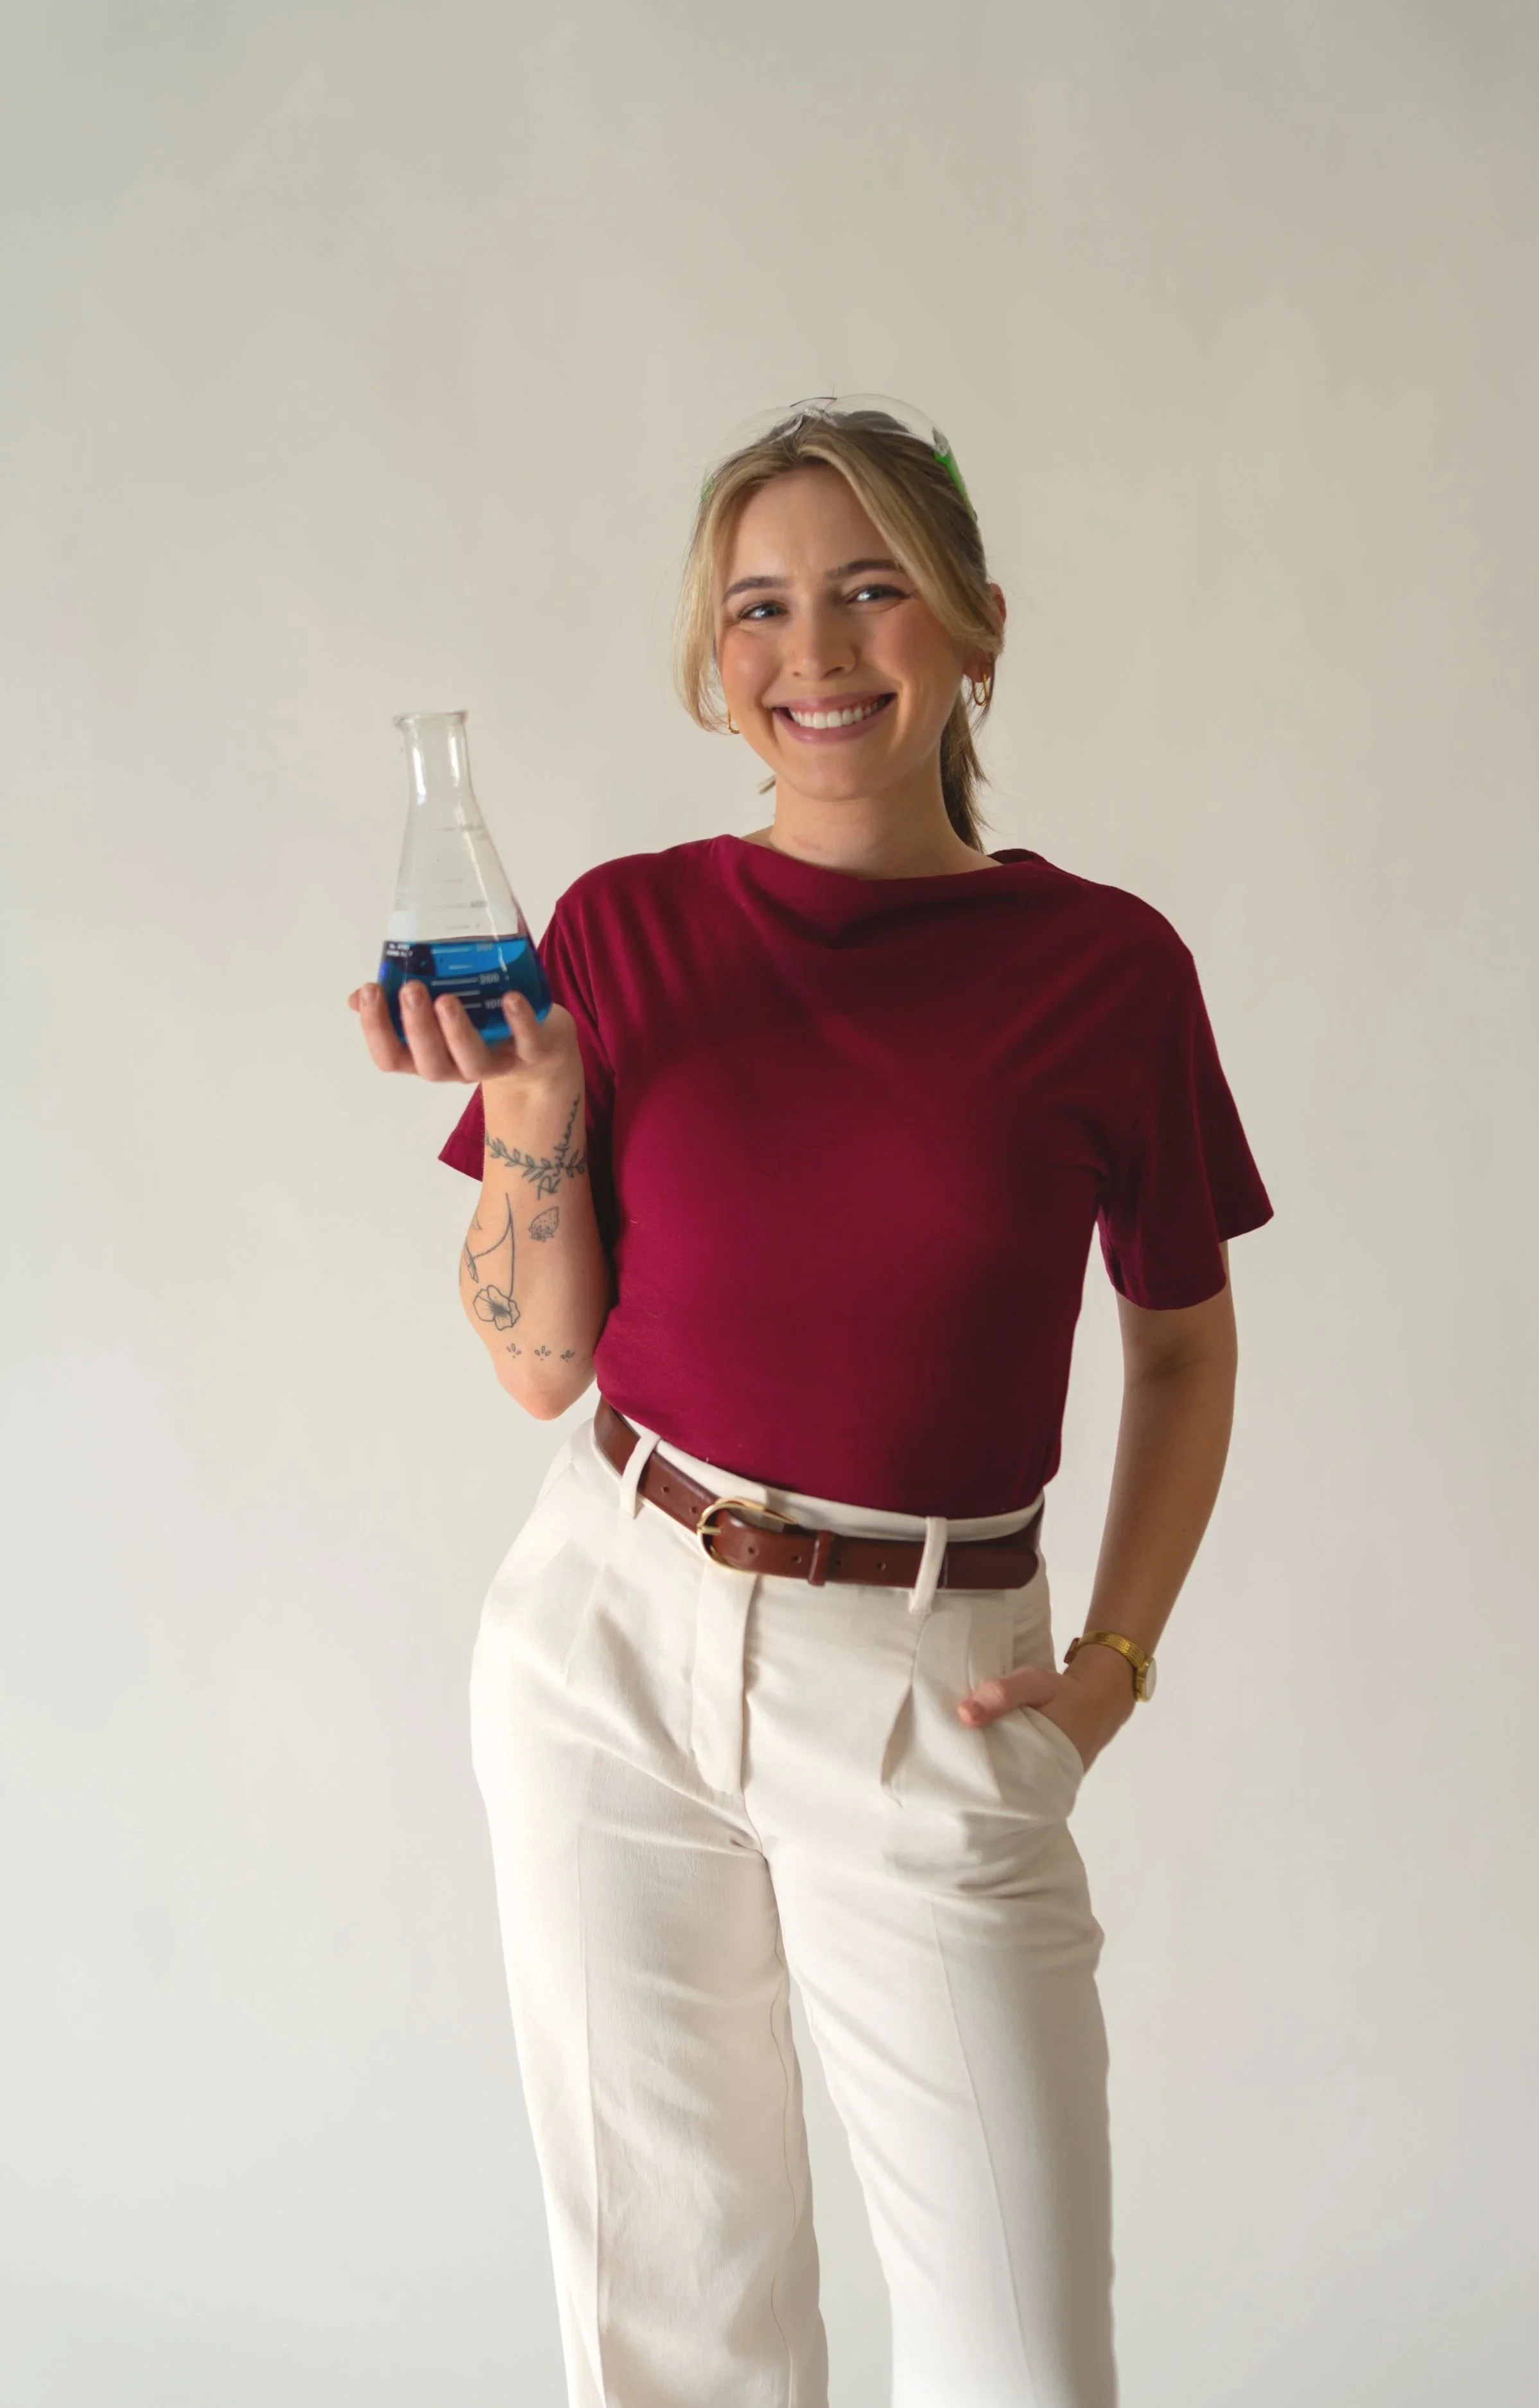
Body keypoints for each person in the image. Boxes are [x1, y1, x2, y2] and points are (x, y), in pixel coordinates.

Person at [348, 396, 1273, 2408]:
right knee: (676, 2338)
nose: (818, 652)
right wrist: (533, 1107)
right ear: (714, 662)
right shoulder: (622, 930)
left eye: (872, 592)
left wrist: (1112, 1662)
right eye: (761, 606)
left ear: (970, 628)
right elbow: (534, 1361)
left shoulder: (1104, 970)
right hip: (610, 1635)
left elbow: (1182, 1342)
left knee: (1019, 2369)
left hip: (928, 1683)